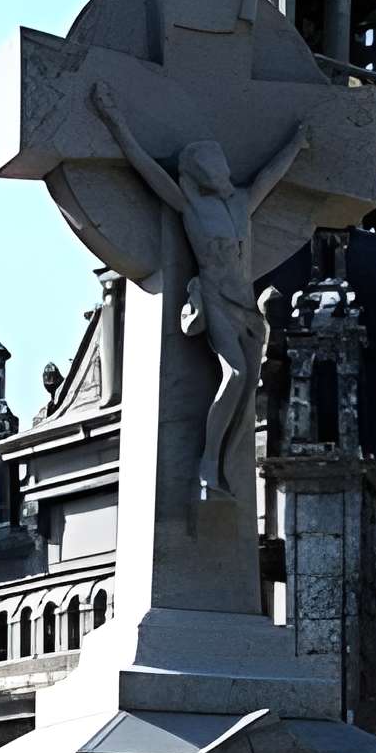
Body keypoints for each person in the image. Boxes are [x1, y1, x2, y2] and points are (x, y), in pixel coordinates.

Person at [90, 82, 309, 500]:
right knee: (236, 375)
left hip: (246, 303)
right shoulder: (190, 206)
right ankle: (207, 463)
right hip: (214, 299)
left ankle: (222, 465)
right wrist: (113, 119)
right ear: (199, 172)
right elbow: (143, 165)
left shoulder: (241, 203)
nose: (220, 169)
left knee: (248, 394)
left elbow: (271, 176)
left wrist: (296, 144)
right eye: (211, 165)